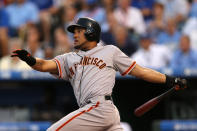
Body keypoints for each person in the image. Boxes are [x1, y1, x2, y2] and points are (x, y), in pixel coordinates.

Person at [11, 17, 187, 131]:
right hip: (97, 112)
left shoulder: (110, 51)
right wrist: (30, 60)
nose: (74, 35)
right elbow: (43, 65)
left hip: (99, 108)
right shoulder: (68, 58)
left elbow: (141, 71)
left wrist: (170, 79)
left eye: (78, 31)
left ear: (90, 32)